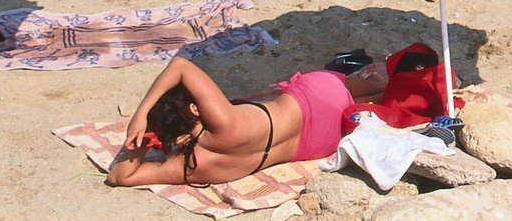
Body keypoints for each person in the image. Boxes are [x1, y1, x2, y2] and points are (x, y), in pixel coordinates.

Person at [105, 52, 390, 188]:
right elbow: (180, 66)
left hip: (322, 141)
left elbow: (119, 176)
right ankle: (384, 84)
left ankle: (379, 91)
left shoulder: (193, 166)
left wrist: (144, 139)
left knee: (372, 101)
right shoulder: (222, 120)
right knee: (380, 88)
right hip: (317, 99)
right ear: (194, 110)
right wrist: (142, 115)